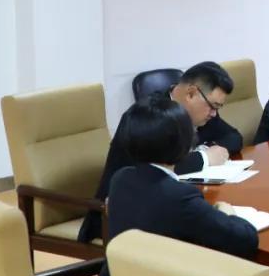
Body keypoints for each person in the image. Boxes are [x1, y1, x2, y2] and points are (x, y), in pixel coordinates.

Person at [88, 97, 259, 276]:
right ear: (183, 143)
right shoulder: (178, 196)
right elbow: (245, 239)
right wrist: (228, 213)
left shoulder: (121, 179)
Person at [78, 61, 242, 243]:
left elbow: (234, 137)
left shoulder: (202, 113)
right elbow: (150, 170)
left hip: (164, 206)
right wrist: (204, 157)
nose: (213, 114)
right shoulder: (147, 117)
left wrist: (207, 150)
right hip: (119, 217)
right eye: (213, 106)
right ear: (191, 93)